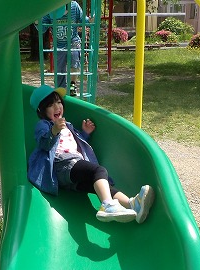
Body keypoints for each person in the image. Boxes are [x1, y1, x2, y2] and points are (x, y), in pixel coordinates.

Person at [28, 85, 155, 223]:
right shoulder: (44, 125)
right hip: (62, 165)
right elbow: (44, 144)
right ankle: (108, 206)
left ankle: (133, 205)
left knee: (101, 185)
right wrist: (54, 130)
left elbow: (72, 143)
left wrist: (85, 133)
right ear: (42, 110)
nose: (57, 107)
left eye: (59, 102)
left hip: (71, 172)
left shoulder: (66, 125)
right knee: (99, 171)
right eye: (50, 105)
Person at [39, 2, 85, 90]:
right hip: (58, 44)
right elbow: (42, 28)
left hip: (73, 41)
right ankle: (60, 88)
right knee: (59, 68)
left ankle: (72, 84)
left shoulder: (74, 6)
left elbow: (82, 19)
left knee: (74, 59)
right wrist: (37, 22)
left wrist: (89, 20)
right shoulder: (50, 8)